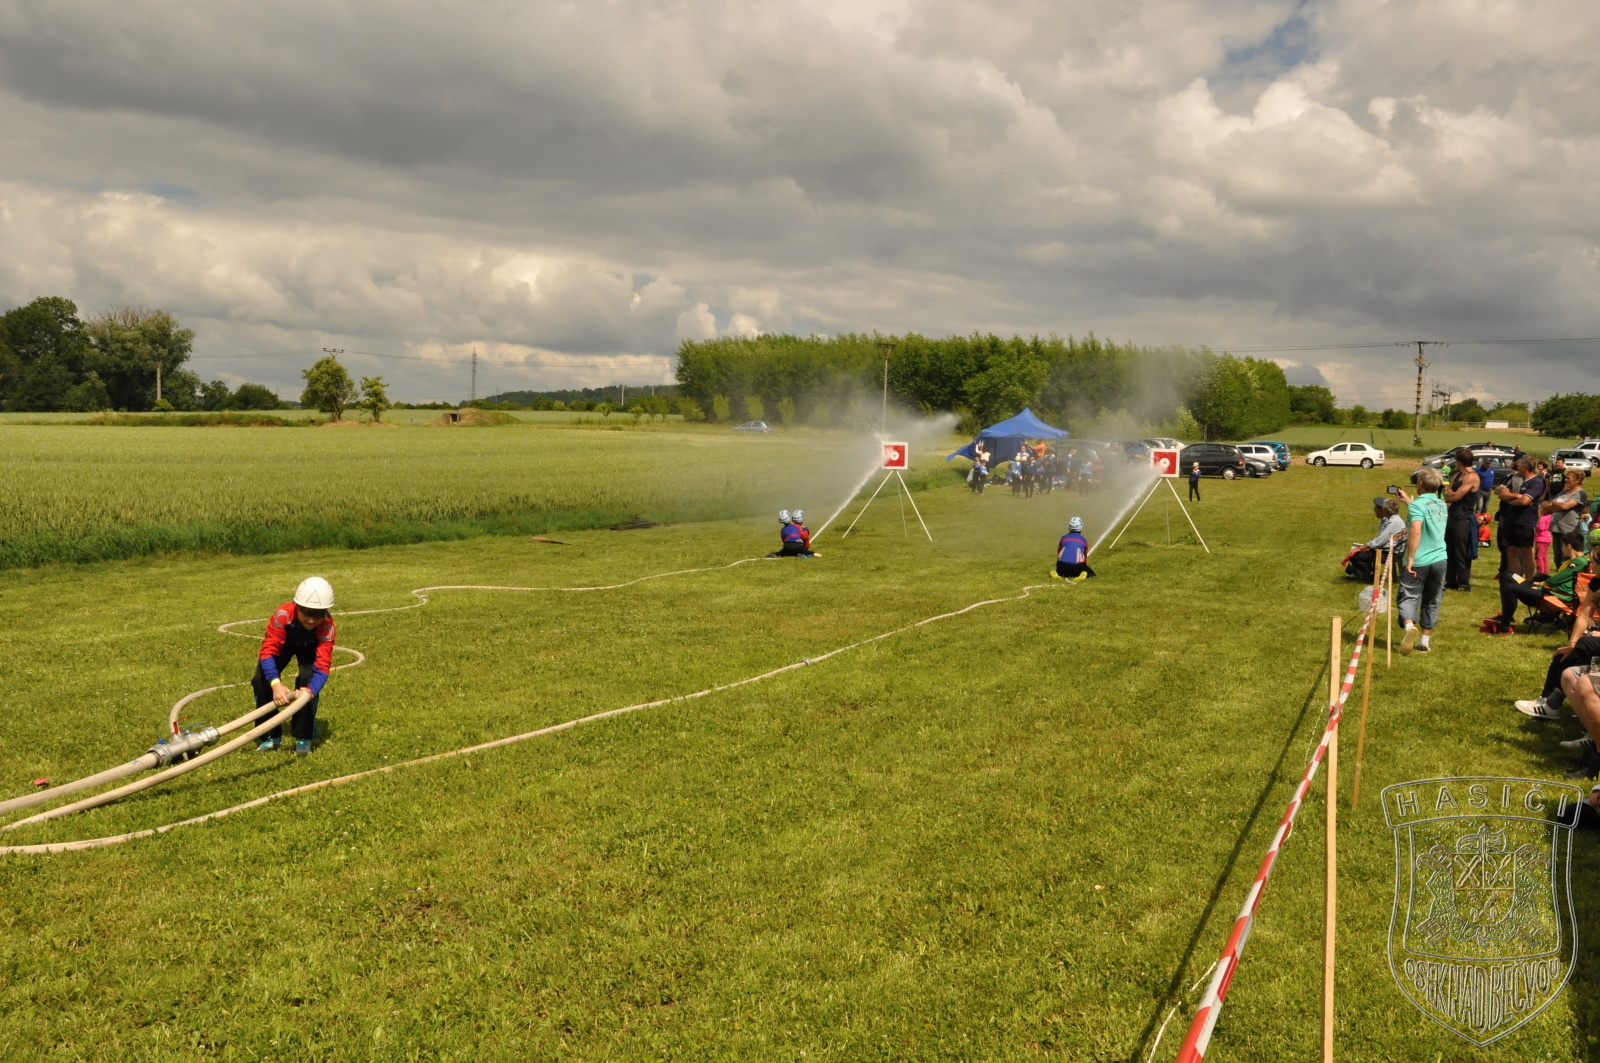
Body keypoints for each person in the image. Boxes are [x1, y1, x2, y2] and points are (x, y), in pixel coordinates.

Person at [254, 577, 337, 753]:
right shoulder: (283, 615)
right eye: (306, 614)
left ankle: (303, 737)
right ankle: (270, 736)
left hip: (310, 648)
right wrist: (275, 684)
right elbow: (268, 652)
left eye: (317, 615)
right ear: (297, 606)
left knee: (308, 680)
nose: (311, 621)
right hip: (284, 644)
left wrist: (310, 691)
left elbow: (322, 667)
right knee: (261, 680)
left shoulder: (327, 627)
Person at [1516, 575, 1600, 722]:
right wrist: (1572, 643)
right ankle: (1548, 702)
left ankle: (1552, 704)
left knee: (1585, 644)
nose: (1591, 567)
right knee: (1566, 655)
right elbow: (1585, 614)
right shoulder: (1596, 582)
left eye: (1594, 564)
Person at [1487, 531, 1587, 633]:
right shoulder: (1576, 562)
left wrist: (1540, 586)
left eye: (1563, 546)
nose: (1562, 549)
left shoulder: (1580, 563)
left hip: (1554, 597)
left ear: (1569, 546)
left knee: (1510, 587)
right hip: (1550, 591)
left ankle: (1504, 625)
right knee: (1507, 575)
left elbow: (1558, 579)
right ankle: (1507, 618)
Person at [1397, 469, 1449, 655]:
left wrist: (1410, 559)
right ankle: (1425, 642)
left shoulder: (1417, 506)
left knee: (1408, 596)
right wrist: (1408, 502)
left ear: (1420, 484)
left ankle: (1409, 626)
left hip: (1419, 560)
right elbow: (1426, 513)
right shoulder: (1442, 504)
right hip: (1440, 559)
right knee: (1433, 599)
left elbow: (1416, 529)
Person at [1495, 456, 1544, 577]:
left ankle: (1529, 580)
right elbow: (1501, 494)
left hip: (1525, 522)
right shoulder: (1516, 479)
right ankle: (1516, 579)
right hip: (1510, 520)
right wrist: (1517, 496)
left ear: (1525, 466)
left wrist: (1510, 498)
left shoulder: (1536, 482)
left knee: (1526, 551)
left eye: (1519, 464)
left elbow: (1524, 501)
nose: (1517, 467)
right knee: (1511, 550)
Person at [1444, 448, 1480, 590]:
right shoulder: (1457, 475)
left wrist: (1450, 494)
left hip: (1464, 518)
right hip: (1452, 515)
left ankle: (1463, 582)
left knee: (1462, 551)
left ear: (1460, 461)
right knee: (1449, 549)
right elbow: (1447, 493)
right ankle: (1451, 580)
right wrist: (1450, 494)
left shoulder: (1472, 477)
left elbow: (1456, 496)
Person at [1544, 468, 1590, 547]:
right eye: (1565, 478)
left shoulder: (1580, 493)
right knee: (1557, 554)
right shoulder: (1564, 492)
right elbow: (1549, 506)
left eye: (1568, 478)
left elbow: (1565, 506)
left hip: (1569, 530)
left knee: (1566, 553)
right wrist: (1560, 505)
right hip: (1556, 528)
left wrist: (1556, 504)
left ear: (1577, 480)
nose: (1565, 480)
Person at [1052, 516, 1095, 581]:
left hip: (1062, 567)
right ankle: (1082, 574)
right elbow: (1085, 558)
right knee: (1091, 573)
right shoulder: (1084, 540)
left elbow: (1058, 553)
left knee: (1061, 571)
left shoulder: (1063, 538)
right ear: (1081, 527)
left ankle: (1057, 573)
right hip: (1076, 568)